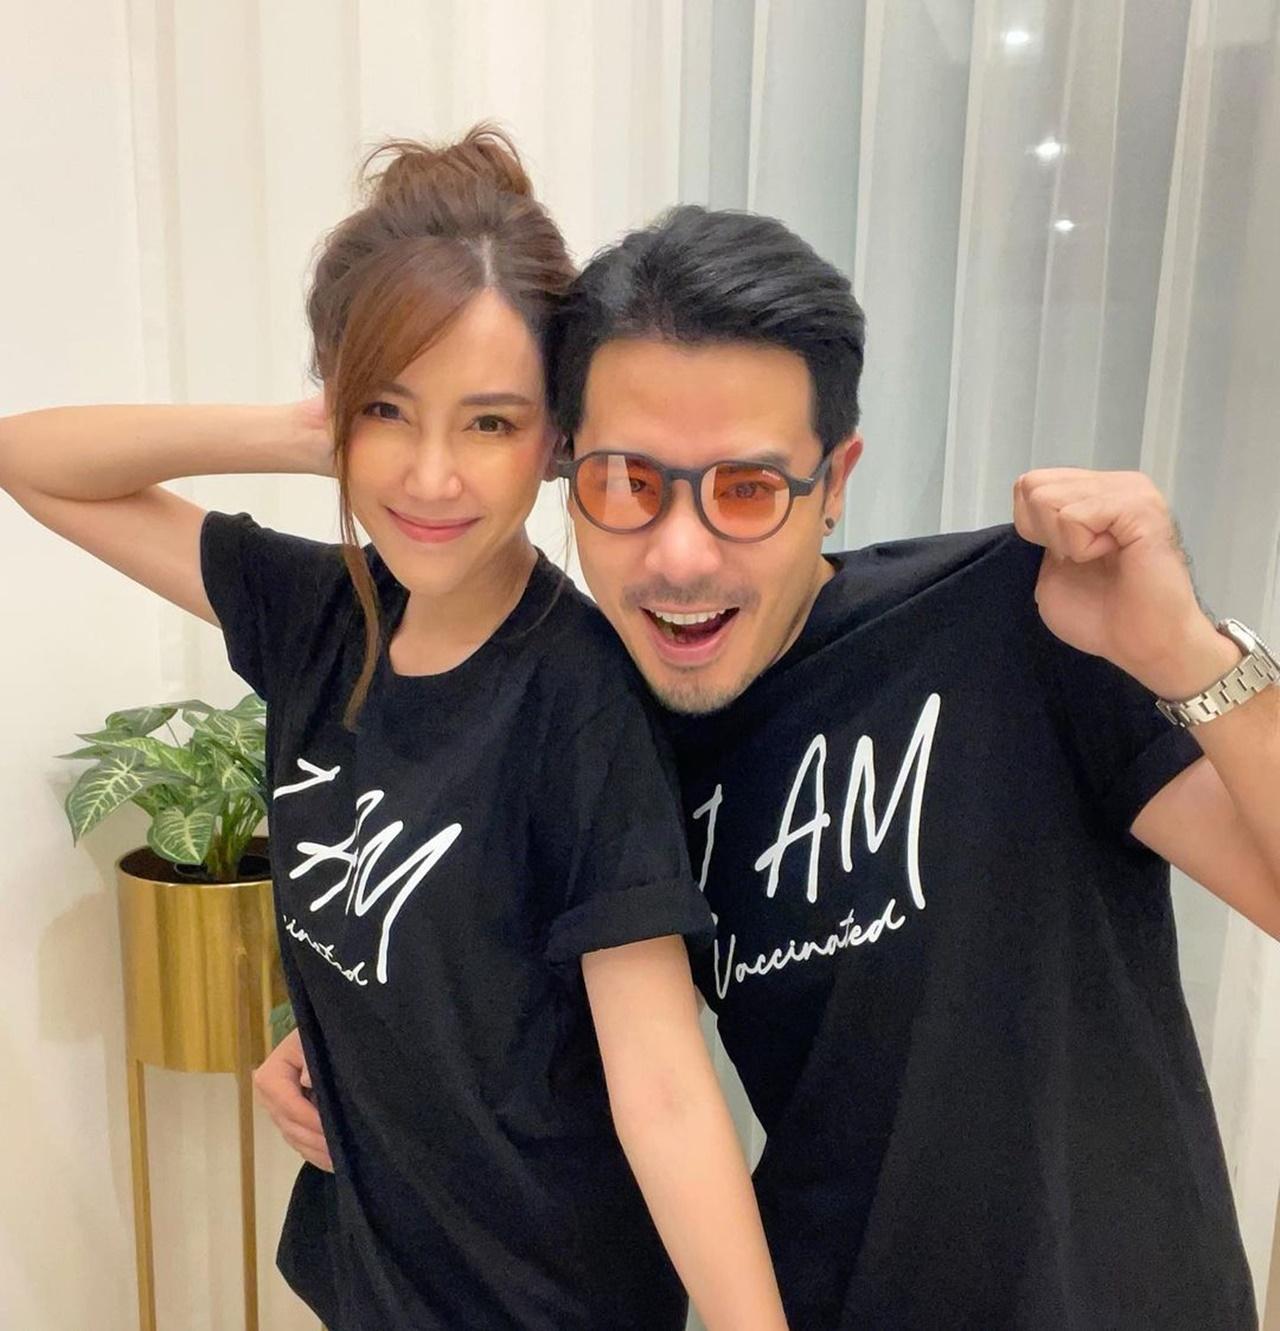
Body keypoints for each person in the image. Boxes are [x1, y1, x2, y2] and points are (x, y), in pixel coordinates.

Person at [261, 200, 1277, 1328]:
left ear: (834, 481)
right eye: (626, 482)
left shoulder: (1015, 623)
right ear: (564, 473)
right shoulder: (603, 734)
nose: (678, 554)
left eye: (745, 489)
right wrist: (332, 1045)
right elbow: (530, 1011)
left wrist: (1188, 655)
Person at [0, 135, 790, 1331]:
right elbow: (32, 460)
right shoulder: (317, 615)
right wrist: (300, 429)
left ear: (555, 439)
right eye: (388, 411)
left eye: (488, 422)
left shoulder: (578, 699)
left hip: (541, 1296)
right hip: (374, 1273)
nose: (428, 475)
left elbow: (664, 1084)